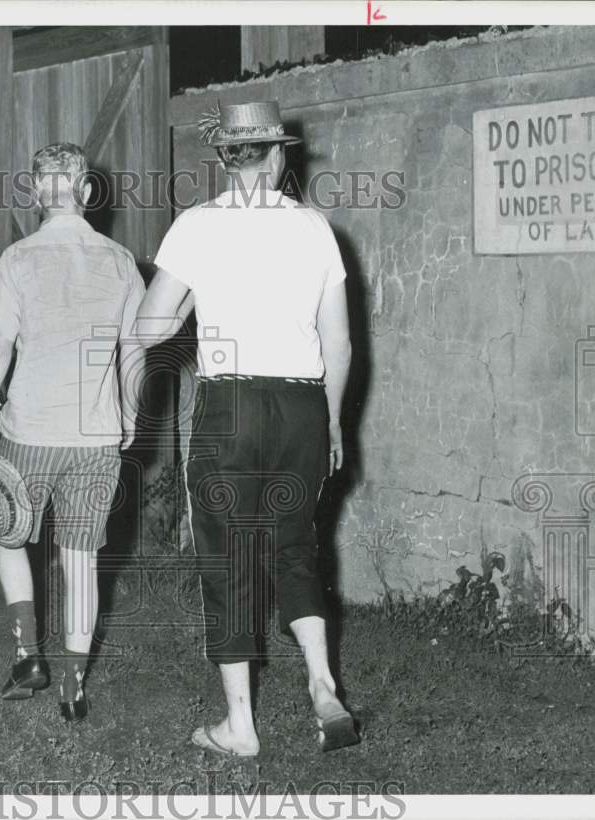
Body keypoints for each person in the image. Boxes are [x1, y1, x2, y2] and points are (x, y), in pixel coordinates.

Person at [135, 101, 357, 756]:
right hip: (302, 408)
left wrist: (199, 298)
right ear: (279, 154)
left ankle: (240, 726)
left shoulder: (196, 227)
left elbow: (151, 329)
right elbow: (338, 344)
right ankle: (322, 683)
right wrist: (335, 420)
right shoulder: (316, 228)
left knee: (228, 558)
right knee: (293, 547)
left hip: (229, 408)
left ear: (226, 158)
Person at [0, 142, 145, 722]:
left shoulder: (16, 259)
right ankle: (72, 687)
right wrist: (131, 413)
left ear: (38, 193)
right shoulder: (121, 261)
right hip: (96, 437)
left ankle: (27, 655)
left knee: (9, 534)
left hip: (30, 432)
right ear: (86, 192)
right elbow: (135, 349)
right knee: (81, 561)